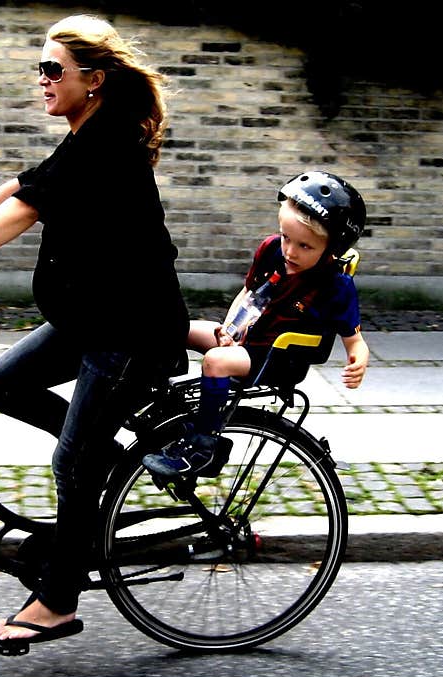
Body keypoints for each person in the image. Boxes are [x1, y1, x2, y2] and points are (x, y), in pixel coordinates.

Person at [0, 14, 189, 652]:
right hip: (90, 317)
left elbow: (28, 208)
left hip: (127, 330)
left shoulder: (106, 141)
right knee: (5, 384)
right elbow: (21, 187)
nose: (42, 80)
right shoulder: (86, 134)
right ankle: (111, 468)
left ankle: (58, 600)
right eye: (40, 68)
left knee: (69, 462)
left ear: (94, 79)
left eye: (53, 69)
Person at [142, 170, 370, 480]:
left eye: (305, 246)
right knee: (174, 328)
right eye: (287, 237)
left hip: (276, 358)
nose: (290, 251)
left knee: (216, 361)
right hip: (248, 340)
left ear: (331, 249)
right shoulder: (271, 251)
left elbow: (353, 338)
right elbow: (249, 294)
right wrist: (229, 328)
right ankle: (156, 397)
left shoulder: (334, 284)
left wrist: (358, 357)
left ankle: (202, 447)